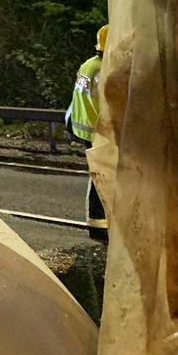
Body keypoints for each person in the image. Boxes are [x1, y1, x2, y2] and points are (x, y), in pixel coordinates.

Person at [66, 24, 108, 239]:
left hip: (85, 129)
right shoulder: (105, 70)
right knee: (103, 176)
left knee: (99, 175)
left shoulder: (88, 65)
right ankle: (99, 223)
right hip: (99, 132)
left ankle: (100, 220)